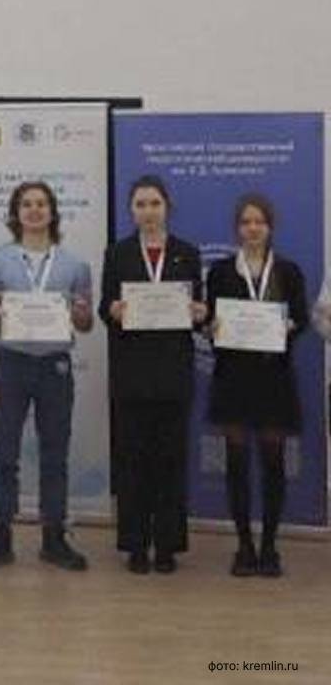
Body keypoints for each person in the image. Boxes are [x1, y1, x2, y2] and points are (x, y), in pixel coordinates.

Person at [0, 181, 93, 571]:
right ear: (16, 213)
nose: (35, 210)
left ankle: (54, 537)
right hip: (12, 363)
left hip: (55, 366)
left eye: (41, 203)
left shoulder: (75, 265)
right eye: (27, 204)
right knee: (4, 452)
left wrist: (81, 313)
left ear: (52, 212)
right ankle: (0, 536)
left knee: (55, 453)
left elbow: (86, 323)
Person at [99, 175, 205, 575]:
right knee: (133, 462)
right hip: (131, 374)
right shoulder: (117, 254)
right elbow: (104, 308)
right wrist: (111, 311)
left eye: (154, 204)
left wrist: (200, 313)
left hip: (173, 373)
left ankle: (167, 545)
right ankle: (135, 544)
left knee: (170, 462)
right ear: (131, 210)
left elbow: (199, 310)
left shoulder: (187, 253)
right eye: (140, 204)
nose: (148, 212)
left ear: (167, 208)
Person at [206, 193, 308, 578]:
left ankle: (269, 546)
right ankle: (244, 546)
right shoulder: (220, 272)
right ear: (237, 228)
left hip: (273, 379)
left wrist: (287, 326)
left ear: (270, 227)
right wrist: (211, 326)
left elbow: (301, 318)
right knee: (236, 466)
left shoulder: (288, 271)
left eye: (259, 222)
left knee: (273, 464)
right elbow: (210, 320)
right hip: (232, 378)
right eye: (246, 222)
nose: (252, 228)